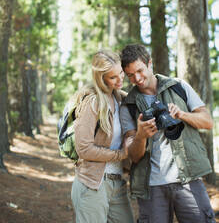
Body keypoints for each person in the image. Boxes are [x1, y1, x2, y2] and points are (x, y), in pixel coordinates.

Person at [120, 44, 215, 223]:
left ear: (150, 63)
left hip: (188, 178)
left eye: (140, 71)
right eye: (130, 75)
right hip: (151, 187)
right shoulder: (128, 106)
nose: (137, 79)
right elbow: (133, 156)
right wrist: (140, 135)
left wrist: (182, 114)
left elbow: (207, 122)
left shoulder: (178, 86)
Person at [70, 50, 134, 223]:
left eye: (121, 72)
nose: (120, 79)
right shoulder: (92, 102)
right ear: (101, 78)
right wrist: (121, 154)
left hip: (118, 183)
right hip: (93, 185)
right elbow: (84, 148)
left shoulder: (121, 99)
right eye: (113, 77)